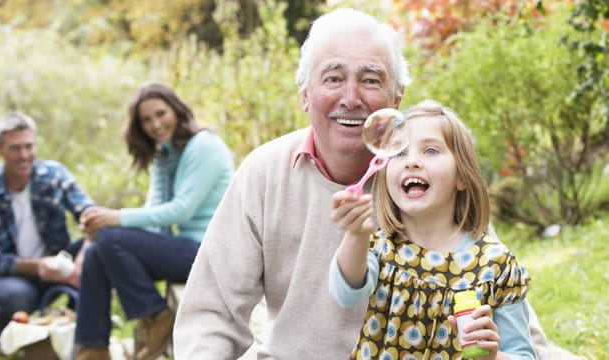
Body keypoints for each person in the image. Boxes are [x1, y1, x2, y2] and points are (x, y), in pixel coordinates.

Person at [173, 8, 550, 359]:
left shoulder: (429, 188)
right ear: (305, 94)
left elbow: (507, 315)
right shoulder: (264, 172)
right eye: (333, 78)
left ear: (396, 98)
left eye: (371, 80)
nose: (350, 98)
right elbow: (212, 313)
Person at [329, 100, 535, 359]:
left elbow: (524, 355)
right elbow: (345, 294)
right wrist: (356, 234)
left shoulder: (495, 266)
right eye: (399, 152)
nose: (411, 161)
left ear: (462, 176)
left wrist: (493, 357)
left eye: (430, 150)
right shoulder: (380, 249)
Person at [73, 81, 234, 360]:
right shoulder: (165, 154)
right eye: (146, 119)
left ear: (176, 110)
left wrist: (115, 219)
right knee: (99, 249)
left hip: (211, 253)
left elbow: (181, 210)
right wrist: (103, 234)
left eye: (161, 113)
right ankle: (93, 348)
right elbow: (155, 212)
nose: (155, 124)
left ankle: (155, 314)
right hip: (185, 249)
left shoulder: (204, 146)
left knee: (109, 236)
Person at [0, 112, 95, 358]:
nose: (24, 155)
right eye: (15, 148)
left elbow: (91, 215)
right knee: (17, 295)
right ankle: (3, 347)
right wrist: (39, 266)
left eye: (29, 146)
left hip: (55, 263)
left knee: (97, 254)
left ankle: (83, 344)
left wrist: (81, 257)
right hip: (7, 276)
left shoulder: (54, 175)